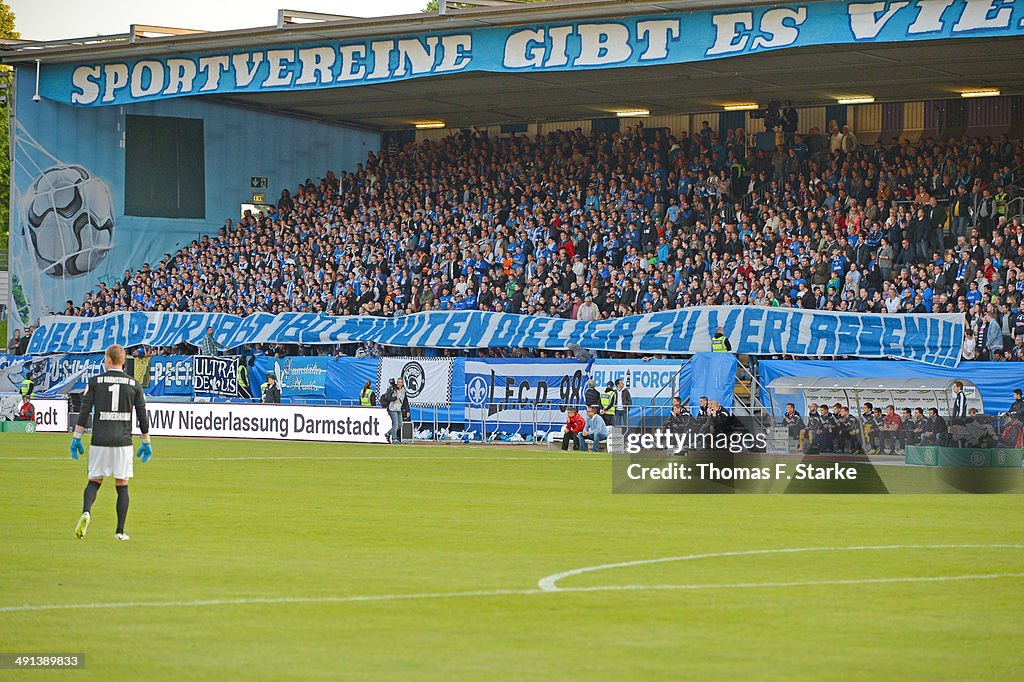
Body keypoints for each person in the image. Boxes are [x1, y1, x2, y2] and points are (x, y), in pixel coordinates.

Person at [71, 344, 151, 541]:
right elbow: (142, 414)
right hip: (122, 442)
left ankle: (86, 512)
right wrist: (146, 441)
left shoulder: (96, 382)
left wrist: (77, 437)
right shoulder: (134, 384)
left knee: (94, 481)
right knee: (122, 485)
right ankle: (120, 532)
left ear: (108, 359)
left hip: (99, 440)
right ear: (123, 361)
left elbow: (85, 409)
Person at [381, 377, 411, 444]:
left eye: (400, 382)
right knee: (395, 424)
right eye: (398, 382)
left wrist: (408, 410)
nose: (398, 383)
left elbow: (405, 402)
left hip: (398, 409)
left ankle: (388, 433)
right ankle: (394, 439)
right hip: (392, 408)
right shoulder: (392, 389)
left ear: (402, 383)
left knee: (400, 424)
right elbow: (388, 397)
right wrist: (395, 398)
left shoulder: (403, 391)